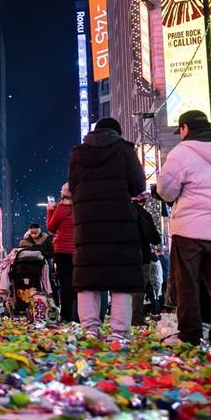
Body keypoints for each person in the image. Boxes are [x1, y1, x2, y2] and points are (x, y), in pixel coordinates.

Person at [156, 110, 211, 348]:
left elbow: (167, 190)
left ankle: (190, 335)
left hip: (190, 227)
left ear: (185, 128)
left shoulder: (182, 152)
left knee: (187, 284)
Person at [68, 117, 147, 341]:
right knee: (121, 277)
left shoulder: (78, 154)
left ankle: (90, 330)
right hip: (119, 221)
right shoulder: (124, 151)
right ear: (117, 133)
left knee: (88, 276)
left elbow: (73, 186)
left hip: (87, 223)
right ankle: (119, 332)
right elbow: (138, 185)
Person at [47, 183, 77, 322]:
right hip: (77, 250)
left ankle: (66, 316)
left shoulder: (61, 208)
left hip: (62, 251)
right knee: (77, 284)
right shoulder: (79, 207)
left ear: (64, 192)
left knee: (65, 285)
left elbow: (51, 227)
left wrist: (50, 210)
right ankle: (78, 315)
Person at [132, 198, 163, 326]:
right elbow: (155, 239)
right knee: (139, 288)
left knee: (123, 288)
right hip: (142, 256)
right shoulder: (145, 215)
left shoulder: (120, 214)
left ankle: (120, 318)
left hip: (122, 256)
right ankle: (136, 318)